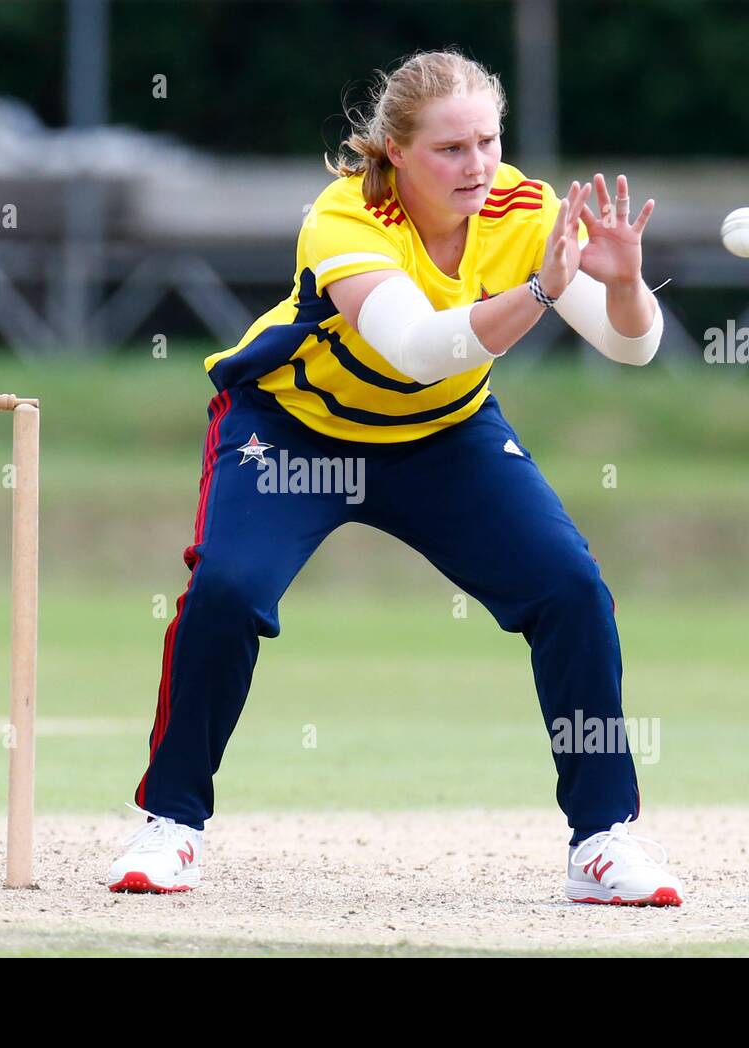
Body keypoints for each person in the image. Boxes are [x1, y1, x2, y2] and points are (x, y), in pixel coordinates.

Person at [106, 49, 684, 906]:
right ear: (396, 152)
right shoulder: (344, 217)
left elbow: (633, 345)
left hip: (442, 441)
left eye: (488, 141)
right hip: (296, 430)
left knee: (570, 590)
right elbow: (417, 351)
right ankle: (171, 826)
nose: (477, 165)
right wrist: (539, 289)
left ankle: (603, 841)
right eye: (451, 149)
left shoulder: (524, 207)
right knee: (228, 592)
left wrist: (628, 283)